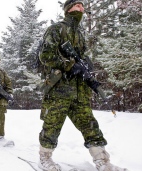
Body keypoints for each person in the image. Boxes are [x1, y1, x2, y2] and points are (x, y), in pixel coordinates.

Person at [37, 1, 128, 171]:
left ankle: (102, 160)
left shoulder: (80, 34)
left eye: (82, 6)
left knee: (90, 125)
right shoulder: (57, 29)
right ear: (68, 9)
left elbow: (82, 59)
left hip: (79, 91)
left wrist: (86, 71)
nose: (81, 9)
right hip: (59, 90)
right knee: (52, 125)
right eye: (77, 5)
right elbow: (46, 56)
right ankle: (45, 157)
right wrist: (70, 65)